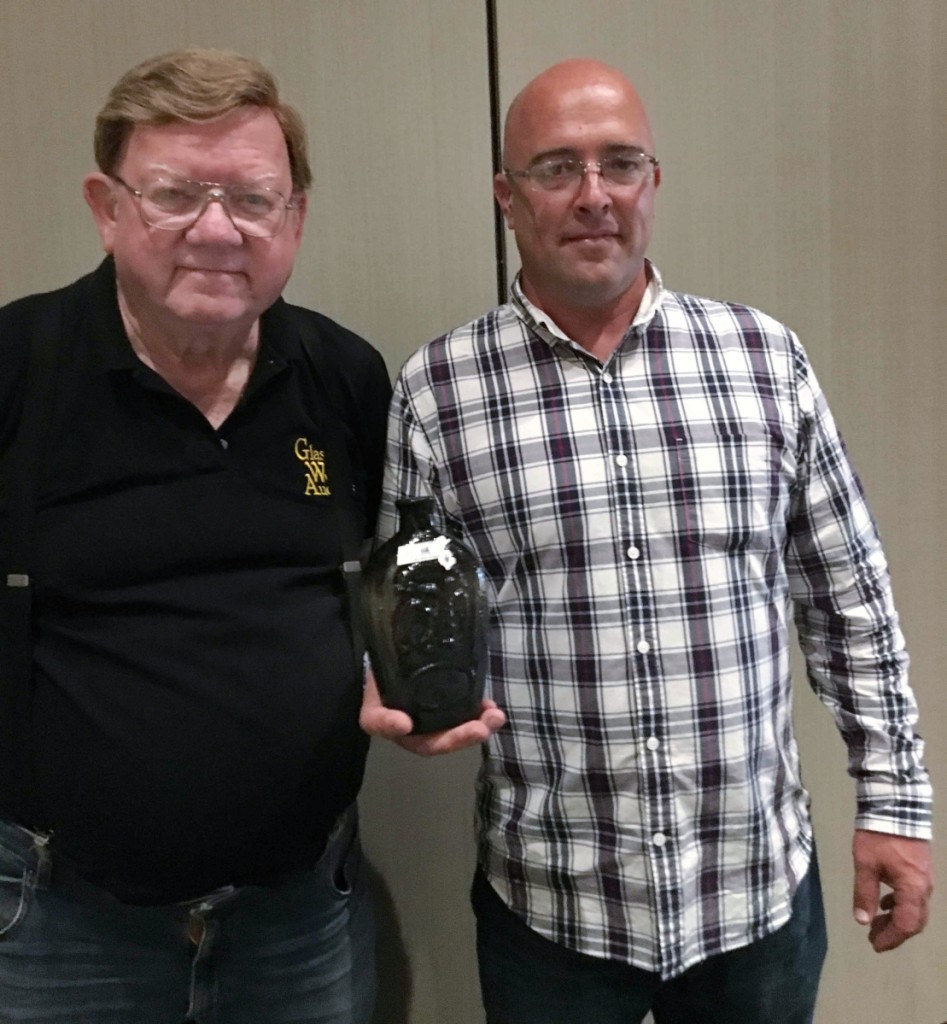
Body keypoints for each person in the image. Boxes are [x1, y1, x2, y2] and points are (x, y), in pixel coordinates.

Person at [360, 58, 933, 1024]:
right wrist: (413, 709)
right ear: (506, 195)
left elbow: (850, 602)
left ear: (652, 184)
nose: (593, 196)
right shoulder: (437, 394)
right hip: (551, 913)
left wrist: (893, 806)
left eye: (620, 164)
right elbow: (412, 632)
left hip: (753, 903)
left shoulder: (763, 360)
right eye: (555, 168)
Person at [0, 49, 391, 1024]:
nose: (217, 230)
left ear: (293, 216)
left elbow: (393, 581)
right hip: (60, 929)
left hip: (299, 921)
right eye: (175, 193)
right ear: (106, 206)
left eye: (253, 199)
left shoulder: (343, 378)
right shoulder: (14, 369)